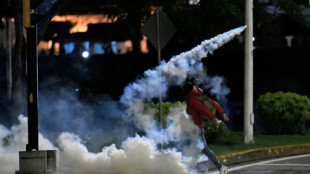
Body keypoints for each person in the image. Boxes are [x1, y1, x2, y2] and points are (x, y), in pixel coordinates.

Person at [183, 82, 229, 174]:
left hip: (195, 128)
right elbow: (213, 103)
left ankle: (221, 167)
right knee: (191, 148)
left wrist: (213, 118)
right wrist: (222, 113)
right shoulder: (198, 95)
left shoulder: (192, 99)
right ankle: (185, 168)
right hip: (194, 127)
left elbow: (204, 109)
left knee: (201, 149)